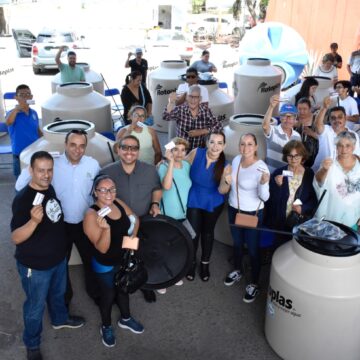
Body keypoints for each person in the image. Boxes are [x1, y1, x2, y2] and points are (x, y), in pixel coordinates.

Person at [10, 151, 85, 360]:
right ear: (31, 170)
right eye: (41, 170)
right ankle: (32, 344)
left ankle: (59, 319)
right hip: (36, 267)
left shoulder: (48, 189)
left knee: (57, 295)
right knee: (35, 307)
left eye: (49, 170)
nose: (46, 175)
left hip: (58, 259)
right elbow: (16, 237)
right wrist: (33, 222)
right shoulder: (23, 201)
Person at [15, 129, 101, 305]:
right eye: (73, 145)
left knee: (90, 259)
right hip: (60, 226)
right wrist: (31, 165)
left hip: (85, 223)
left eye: (82, 146)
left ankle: (95, 293)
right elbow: (20, 185)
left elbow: (99, 188)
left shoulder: (92, 164)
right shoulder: (53, 163)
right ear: (65, 145)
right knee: (62, 266)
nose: (77, 149)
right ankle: (64, 300)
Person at [83, 174, 143, 347]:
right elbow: (101, 248)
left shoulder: (118, 203)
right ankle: (106, 326)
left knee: (123, 289)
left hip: (123, 259)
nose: (109, 194)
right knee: (108, 295)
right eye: (103, 190)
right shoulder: (91, 215)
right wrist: (106, 230)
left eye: (112, 189)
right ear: (95, 192)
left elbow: (135, 219)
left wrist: (132, 239)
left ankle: (126, 318)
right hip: (104, 263)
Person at [100, 135, 162, 303]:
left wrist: (155, 203)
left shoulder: (150, 170)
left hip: (143, 223)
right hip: (117, 226)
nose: (129, 151)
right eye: (125, 147)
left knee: (143, 255)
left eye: (134, 148)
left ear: (138, 151)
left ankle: (145, 285)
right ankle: (121, 285)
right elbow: (98, 197)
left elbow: (157, 188)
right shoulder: (106, 172)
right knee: (119, 257)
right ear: (118, 150)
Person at [224, 133, 270, 303]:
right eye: (243, 144)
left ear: (256, 147)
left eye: (250, 144)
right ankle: (238, 269)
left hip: (252, 213)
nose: (246, 148)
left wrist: (264, 183)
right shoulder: (236, 160)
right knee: (236, 243)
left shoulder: (261, 168)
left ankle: (254, 283)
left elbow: (265, 198)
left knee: (252, 248)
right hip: (234, 209)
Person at [185, 131, 231, 282]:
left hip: (213, 200)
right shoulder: (196, 152)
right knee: (193, 232)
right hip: (194, 197)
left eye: (219, 143)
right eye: (212, 142)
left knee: (207, 233)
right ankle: (191, 263)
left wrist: (227, 182)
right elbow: (182, 166)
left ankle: (205, 264)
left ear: (224, 146)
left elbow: (222, 190)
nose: (215, 146)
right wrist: (166, 162)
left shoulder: (226, 166)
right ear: (206, 143)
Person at [156, 137, 192, 294]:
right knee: (163, 248)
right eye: (176, 149)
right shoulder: (163, 166)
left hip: (182, 214)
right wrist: (170, 162)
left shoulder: (187, 166)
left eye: (183, 150)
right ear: (171, 150)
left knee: (177, 249)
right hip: (167, 215)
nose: (179, 153)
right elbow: (167, 186)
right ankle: (161, 279)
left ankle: (174, 275)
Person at [266, 141, 317, 243]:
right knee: (279, 246)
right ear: (286, 157)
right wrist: (278, 186)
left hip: (298, 220)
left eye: (297, 156)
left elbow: (314, 199)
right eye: (290, 156)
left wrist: (302, 208)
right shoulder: (278, 173)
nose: (293, 159)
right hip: (280, 220)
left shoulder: (309, 174)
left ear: (303, 156)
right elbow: (271, 200)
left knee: (296, 247)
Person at [314, 131, 360, 227]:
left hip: (354, 220)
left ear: (354, 147)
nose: (344, 150)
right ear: (336, 147)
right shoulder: (329, 164)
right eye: (340, 145)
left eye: (348, 145)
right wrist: (324, 170)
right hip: (330, 219)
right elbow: (318, 182)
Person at [163, 85, 222, 151]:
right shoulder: (180, 109)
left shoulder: (206, 111)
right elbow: (166, 116)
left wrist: (202, 131)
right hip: (180, 147)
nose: (193, 100)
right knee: (166, 150)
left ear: (200, 99)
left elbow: (219, 126)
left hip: (197, 149)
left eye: (196, 97)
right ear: (187, 97)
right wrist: (171, 102)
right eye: (190, 96)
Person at [312, 97, 360, 172]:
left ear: (345, 118)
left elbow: (357, 155)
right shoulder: (326, 130)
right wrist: (324, 108)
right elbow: (317, 125)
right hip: (321, 172)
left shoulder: (353, 135)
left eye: (340, 117)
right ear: (329, 120)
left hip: (342, 174)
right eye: (333, 118)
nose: (336, 120)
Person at [5, 84, 42, 178]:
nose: (25, 97)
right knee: (21, 185)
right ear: (16, 98)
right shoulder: (12, 113)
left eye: (28, 94)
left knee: (36, 180)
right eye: (22, 95)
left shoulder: (34, 113)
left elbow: (37, 130)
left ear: (31, 97)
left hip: (34, 153)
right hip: (19, 155)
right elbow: (8, 122)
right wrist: (16, 110)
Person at [262, 95, 301, 173]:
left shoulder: (297, 136)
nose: (288, 119)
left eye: (291, 116)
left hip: (288, 175)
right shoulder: (273, 130)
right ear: (280, 118)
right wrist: (271, 106)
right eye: (284, 116)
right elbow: (265, 126)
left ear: (295, 119)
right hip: (272, 174)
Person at [295, 98, 319, 167]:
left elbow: (324, 138)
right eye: (299, 109)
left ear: (310, 109)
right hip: (296, 155)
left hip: (312, 156)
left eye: (305, 109)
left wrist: (312, 133)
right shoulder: (294, 119)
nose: (302, 111)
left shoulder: (316, 120)